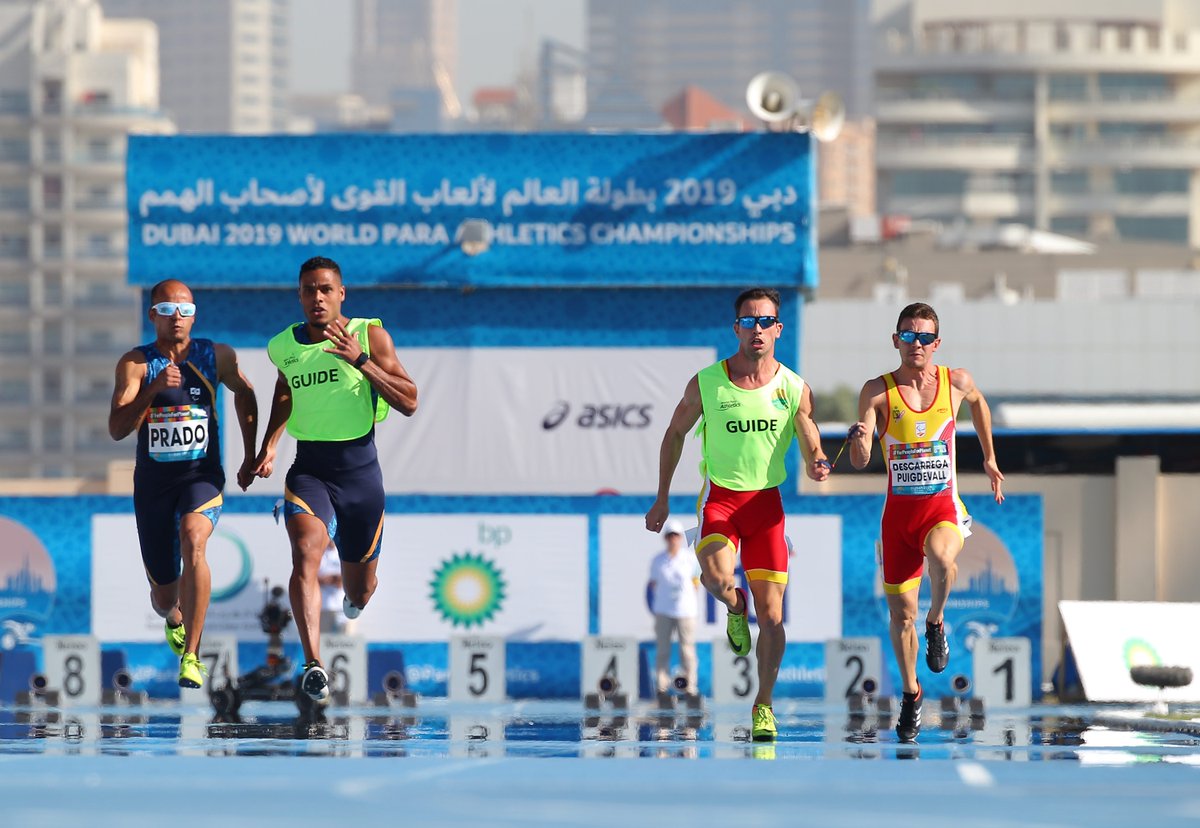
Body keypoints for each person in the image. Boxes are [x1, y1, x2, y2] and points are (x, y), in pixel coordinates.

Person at [645, 287, 830, 742]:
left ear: (778, 329)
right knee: (716, 579)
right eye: (749, 321)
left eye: (766, 321)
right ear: (737, 329)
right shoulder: (708, 382)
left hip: (766, 506)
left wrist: (818, 461)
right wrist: (662, 497)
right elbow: (673, 435)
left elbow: (810, 437)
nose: (757, 330)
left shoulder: (793, 386)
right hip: (721, 500)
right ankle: (733, 606)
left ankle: (763, 705)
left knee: (773, 619)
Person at [247, 256, 417, 701]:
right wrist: (269, 443)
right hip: (310, 471)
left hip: (361, 475)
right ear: (299, 295)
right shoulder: (282, 345)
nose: (317, 298)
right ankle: (313, 664)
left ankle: (356, 599)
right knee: (304, 553)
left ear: (342, 294)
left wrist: (361, 360)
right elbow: (285, 389)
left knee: (361, 587)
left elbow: (410, 400)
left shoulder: (368, 334)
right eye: (309, 290)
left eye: (326, 289)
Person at [847, 302, 1005, 743]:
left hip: (941, 508)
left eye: (924, 337)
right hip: (898, 517)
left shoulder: (956, 382)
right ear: (895, 340)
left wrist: (989, 457)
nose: (916, 344)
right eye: (908, 335)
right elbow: (860, 462)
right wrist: (859, 440)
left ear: (937, 343)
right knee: (901, 616)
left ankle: (937, 621)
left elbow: (980, 405)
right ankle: (912, 693)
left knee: (941, 557)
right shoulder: (876, 392)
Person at [108, 279, 258, 689]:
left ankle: (192, 655)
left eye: (187, 311)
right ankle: (174, 618)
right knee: (162, 598)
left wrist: (251, 454)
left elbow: (246, 394)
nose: (178, 318)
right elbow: (117, 428)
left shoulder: (217, 356)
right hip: (154, 486)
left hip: (201, 478)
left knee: (195, 540)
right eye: (169, 310)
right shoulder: (136, 364)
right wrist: (153, 391)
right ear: (152, 314)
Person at [648, 518, 700, 698]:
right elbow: (653, 584)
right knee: (663, 649)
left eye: (676, 536)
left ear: (680, 538)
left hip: (686, 611)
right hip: (663, 610)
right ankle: (662, 687)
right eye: (669, 536)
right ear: (665, 538)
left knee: (687, 649)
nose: (673, 539)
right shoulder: (657, 560)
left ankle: (690, 686)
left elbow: (696, 583)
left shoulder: (690, 559)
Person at [318, 540, 355, 635]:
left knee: (344, 640)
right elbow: (312, 577)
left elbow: (350, 576)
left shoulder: (344, 553)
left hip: (342, 607)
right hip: (324, 607)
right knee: (323, 640)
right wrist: (332, 579)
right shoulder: (319, 554)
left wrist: (337, 579)